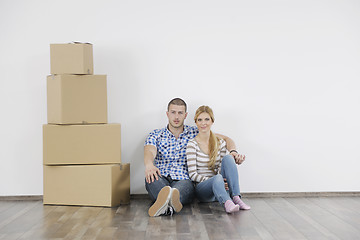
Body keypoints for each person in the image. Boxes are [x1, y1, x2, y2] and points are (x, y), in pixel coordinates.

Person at [144, 98, 239, 217]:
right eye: (173, 112)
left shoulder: (196, 132)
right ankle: (170, 206)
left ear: (186, 115)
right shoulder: (156, 134)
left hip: (183, 179)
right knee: (151, 180)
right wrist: (149, 165)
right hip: (160, 175)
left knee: (179, 191)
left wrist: (233, 152)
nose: (176, 117)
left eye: (180, 113)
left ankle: (164, 204)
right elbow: (149, 149)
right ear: (167, 114)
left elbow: (226, 139)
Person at [186, 105, 250, 213]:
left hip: (220, 187)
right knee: (217, 178)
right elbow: (192, 174)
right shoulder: (192, 144)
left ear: (212, 121)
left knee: (228, 158)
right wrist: (217, 181)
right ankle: (227, 203)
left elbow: (222, 166)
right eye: (200, 120)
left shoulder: (219, 142)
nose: (203, 123)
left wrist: (222, 181)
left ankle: (236, 197)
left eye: (207, 119)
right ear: (196, 122)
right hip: (203, 190)